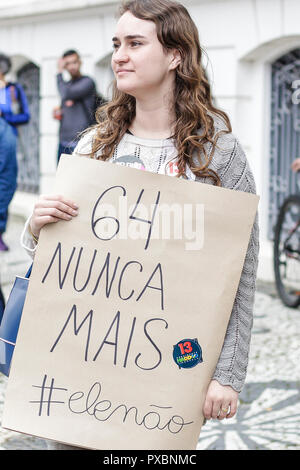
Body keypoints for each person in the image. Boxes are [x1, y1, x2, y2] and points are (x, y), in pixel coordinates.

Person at [21, 0, 259, 449]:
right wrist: (37, 227)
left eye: (135, 43)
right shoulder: (94, 147)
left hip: (166, 379)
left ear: (174, 55)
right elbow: (61, 264)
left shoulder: (219, 155)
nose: (119, 56)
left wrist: (227, 375)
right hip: (81, 374)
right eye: (116, 44)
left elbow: (242, 274)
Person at [0, 53, 30, 251]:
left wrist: (5, 114)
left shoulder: (13, 89)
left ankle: (0, 231)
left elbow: (25, 116)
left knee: (6, 183)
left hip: (7, 138)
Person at [55, 49, 98, 162]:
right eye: (67, 64)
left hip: (81, 142)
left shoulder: (87, 82)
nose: (72, 66)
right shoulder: (67, 85)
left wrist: (59, 72)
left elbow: (66, 94)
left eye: (74, 62)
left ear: (80, 62)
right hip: (63, 142)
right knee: (62, 178)